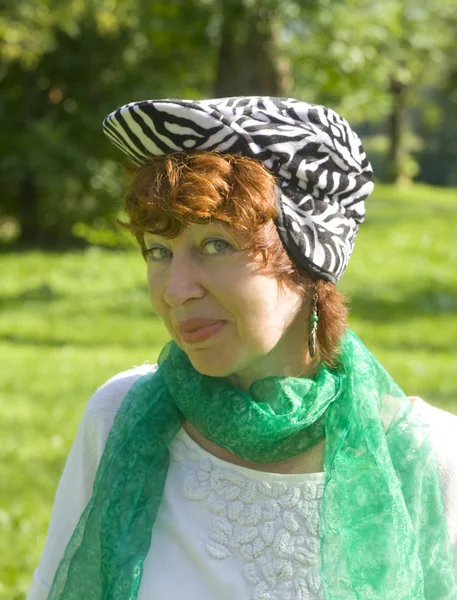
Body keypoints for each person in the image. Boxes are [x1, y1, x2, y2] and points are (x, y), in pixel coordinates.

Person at [27, 97, 457, 600]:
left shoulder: (428, 457)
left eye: (215, 245)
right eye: (158, 251)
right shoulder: (119, 418)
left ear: (308, 257)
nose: (176, 289)